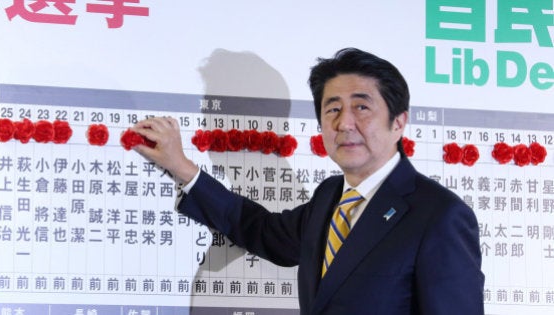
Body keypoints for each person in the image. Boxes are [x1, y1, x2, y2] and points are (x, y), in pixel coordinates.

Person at [130, 47, 484, 315]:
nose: (344, 123)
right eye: (332, 109)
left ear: (398, 122)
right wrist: (181, 166)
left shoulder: (439, 216)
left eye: (361, 107)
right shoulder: (329, 196)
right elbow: (260, 230)